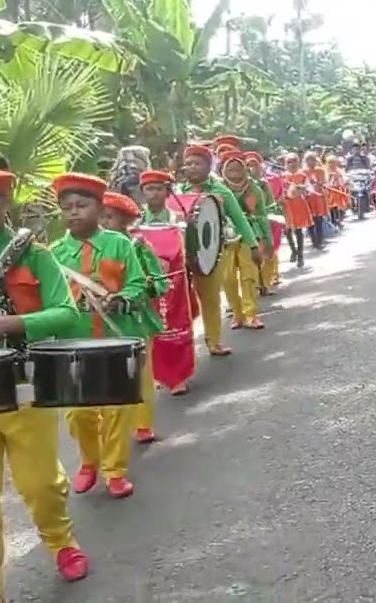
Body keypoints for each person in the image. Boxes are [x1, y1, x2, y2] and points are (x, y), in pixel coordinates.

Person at [0, 166, 89, 598]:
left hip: (23, 390)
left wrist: (12, 322)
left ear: (3, 205)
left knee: (40, 486)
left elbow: (68, 313)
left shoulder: (34, 255)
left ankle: (61, 541)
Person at [50, 174, 148, 500]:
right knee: (79, 413)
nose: (74, 212)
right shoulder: (54, 254)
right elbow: (49, 299)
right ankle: (90, 461)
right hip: (75, 343)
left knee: (118, 407)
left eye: (82, 205)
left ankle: (115, 471)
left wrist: (122, 297)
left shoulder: (120, 244)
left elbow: (136, 284)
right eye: (68, 207)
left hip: (117, 337)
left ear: (98, 207)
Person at [178, 143, 261, 359]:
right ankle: (180, 351)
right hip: (181, 257)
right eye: (188, 164)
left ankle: (213, 341)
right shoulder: (177, 193)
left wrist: (253, 246)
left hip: (212, 254)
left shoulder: (221, 191)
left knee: (211, 298)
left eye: (197, 163)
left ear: (208, 167)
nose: (191, 167)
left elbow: (239, 220)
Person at [100, 192, 168, 445]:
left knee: (141, 374)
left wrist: (150, 285)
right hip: (101, 324)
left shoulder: (139, 247)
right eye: (101, 218)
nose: (104, 223)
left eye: (110, 217)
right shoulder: (93, 249)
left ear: (126, 221)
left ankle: (143, 424)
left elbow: (162, 285)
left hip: (137, 321)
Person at [219, 151, 268, 331]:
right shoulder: (219, 189)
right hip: (226, 237)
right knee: (228, 277)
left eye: (238, 169)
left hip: (249, 234)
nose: (234, 173)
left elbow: (262, 214)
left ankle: (251, 315)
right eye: (230, 170)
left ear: (244, 170)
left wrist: (266, 240)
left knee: (249, 275)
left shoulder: (254, 188)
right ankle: (237, 314)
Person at [244, 151, 281, 293]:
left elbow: (271, 204)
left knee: (269, 250)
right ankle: (256, 284)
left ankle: (266, 282)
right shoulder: (241, 184)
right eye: (248, 165)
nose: (252, 168)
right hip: (247, 223)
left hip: (265, 220)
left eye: (254, 165)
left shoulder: (264, 183)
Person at [280, 153, 314, 269]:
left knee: (299, 231)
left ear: (298, 162)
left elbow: (309, 189)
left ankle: (300, 256)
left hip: (299, 205)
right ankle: (293, 250)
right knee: (287, 231)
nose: (292, 164)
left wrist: (302, 188)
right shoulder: (282, 176)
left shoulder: (302, 175)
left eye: (294, 161)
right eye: (289, 162)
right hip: (286, 205)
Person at [301, 152, 330, 250]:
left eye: (312, 159)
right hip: (307, 198)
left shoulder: (320, 170)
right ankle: (314, 240)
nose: (310, 162)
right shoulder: (303, 172)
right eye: (308, 160)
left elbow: (321, 183)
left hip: (318, 198)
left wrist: (316, 185)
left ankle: (319, 241)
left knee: (318, 219)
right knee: (310, 220)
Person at [325, 155, 352, 230]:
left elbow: (344, 178)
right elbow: (325, 181)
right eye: (330, 162)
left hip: (339, 191)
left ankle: (339, 221)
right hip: (329, 191)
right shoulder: (326, 171)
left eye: (333, 162)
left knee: (339, 207)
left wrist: (346, 181)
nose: (331, 164)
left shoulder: (339, 170)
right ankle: (333, 222)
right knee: (331, 208)